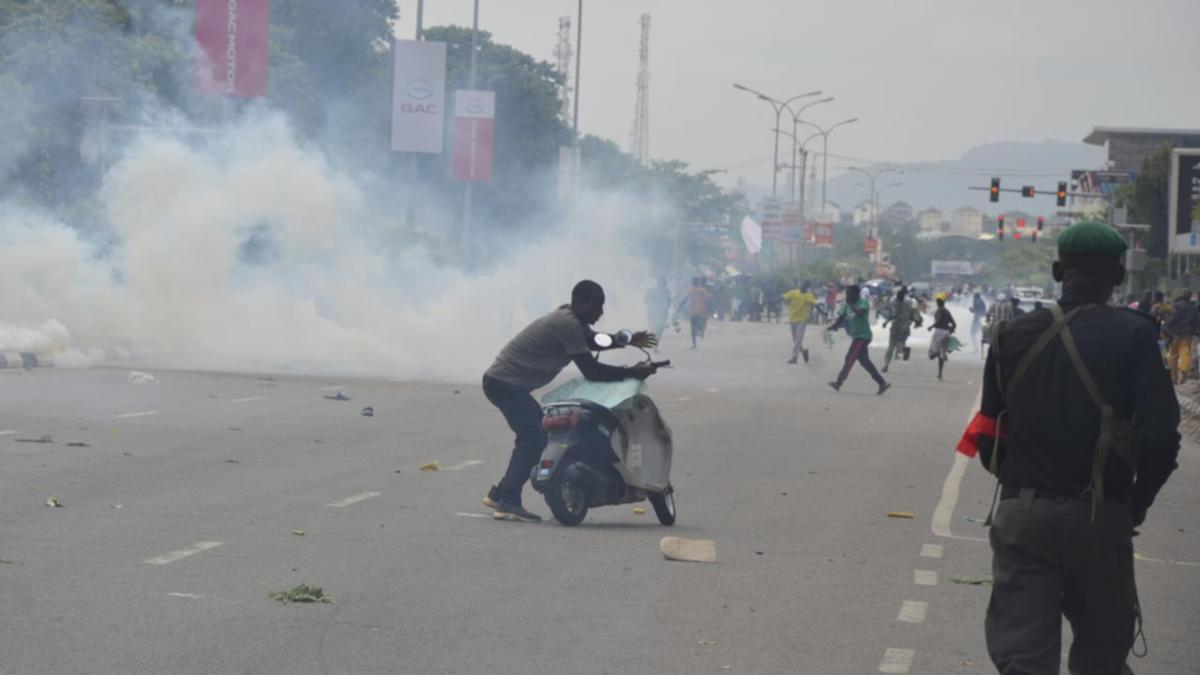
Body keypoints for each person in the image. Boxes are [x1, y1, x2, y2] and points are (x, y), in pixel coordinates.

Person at [956, 222, 1179, 675]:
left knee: (1023, 658)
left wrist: (1025, 492)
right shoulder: (1135, 336)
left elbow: (987, 436)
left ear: (1058, 270)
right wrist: (1134, 505)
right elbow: (1162, 436)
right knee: (1101, 655)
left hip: (1023, 514)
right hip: (1100, 516)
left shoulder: (1009, 336)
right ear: (1118, 277)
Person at [482, 280, 657, 522]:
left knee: (534, 436)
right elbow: (591, 370)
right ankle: (507, 500)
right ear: (580, 303)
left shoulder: (573, 320)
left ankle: (501, 493)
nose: (601, 312)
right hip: (504, 383)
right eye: (597, 306)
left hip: (507, 383)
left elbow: (595, 340)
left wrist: (623, 339)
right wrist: (630, 372)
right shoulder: (566, 324)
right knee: (533, 438)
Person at [825, 284, 891, 394]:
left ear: (856, 294)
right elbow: (841, 318)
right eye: (847, 294)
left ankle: (838, 382)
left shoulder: (863, 302)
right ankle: (882, 383)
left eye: (849, 294)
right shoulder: (847, 305)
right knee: (865, 362)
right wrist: (833, 327)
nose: (847, 296)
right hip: (857, 336)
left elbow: (861, 312)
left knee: (850, 358)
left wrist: (851, 304)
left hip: (863, 336)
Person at [881, 286, 921, 372]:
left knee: (891, 347)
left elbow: (893, 315)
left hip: (896, 327)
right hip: (905, 327)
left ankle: (886, 365)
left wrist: (886, 322)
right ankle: (903, 349)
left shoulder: (894, 303)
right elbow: (914, 314)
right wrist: (916, 322)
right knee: (901, 342)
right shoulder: (909, 303)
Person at [1164, 289, 1198, 384]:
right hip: (1188, 333)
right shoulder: (1193, 307)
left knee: (1173, 355)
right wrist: (1194, 330)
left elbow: (1172, 317)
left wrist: (1167, 327)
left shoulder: (1176, 305)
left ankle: (1174, 378)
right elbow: (1196, 321)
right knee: (1185, 351)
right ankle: (1184, 368)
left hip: (1176, 333)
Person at [783, 281, 818, 364]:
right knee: (795, 340)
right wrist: (769, 302)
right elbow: (783, 298)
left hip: (803, 319)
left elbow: (816, 305)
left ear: (807, 288)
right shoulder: (793, 293)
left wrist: (823, 312)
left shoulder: (809, 296)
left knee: (798, 339)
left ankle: (794, 357)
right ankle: (803, 352)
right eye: (802, 285)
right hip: (793, 319)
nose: (802, 286)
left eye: (805, 286)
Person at [927, 295, 958, 380]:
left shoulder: (940, 311)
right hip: (946, 333)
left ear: (938, 303)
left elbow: (938, 321)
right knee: (941, 354)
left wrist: (931, 327)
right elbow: (954, 324)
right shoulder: (947, 311)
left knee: (931, 354)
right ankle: (940, 373)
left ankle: (938, 353)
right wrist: (950, 332)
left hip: (939, 332)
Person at [643, 276, 671, 351]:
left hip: (656, 312)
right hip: (658, 313)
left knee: (657, 329)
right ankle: (654, 346)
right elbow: (669, 303)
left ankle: (654, 345)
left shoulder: (653, 290)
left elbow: (645, 301)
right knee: (657, 330)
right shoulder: (666, 291)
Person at [686, 277, 712, 348]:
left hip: (693, 311)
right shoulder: (703, 290)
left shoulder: (690, 290)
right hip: (702, 311)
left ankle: (694, 343)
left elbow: (688, 299)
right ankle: (700, 332)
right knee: (701, 323)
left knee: (693, 328)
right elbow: (708, 299)